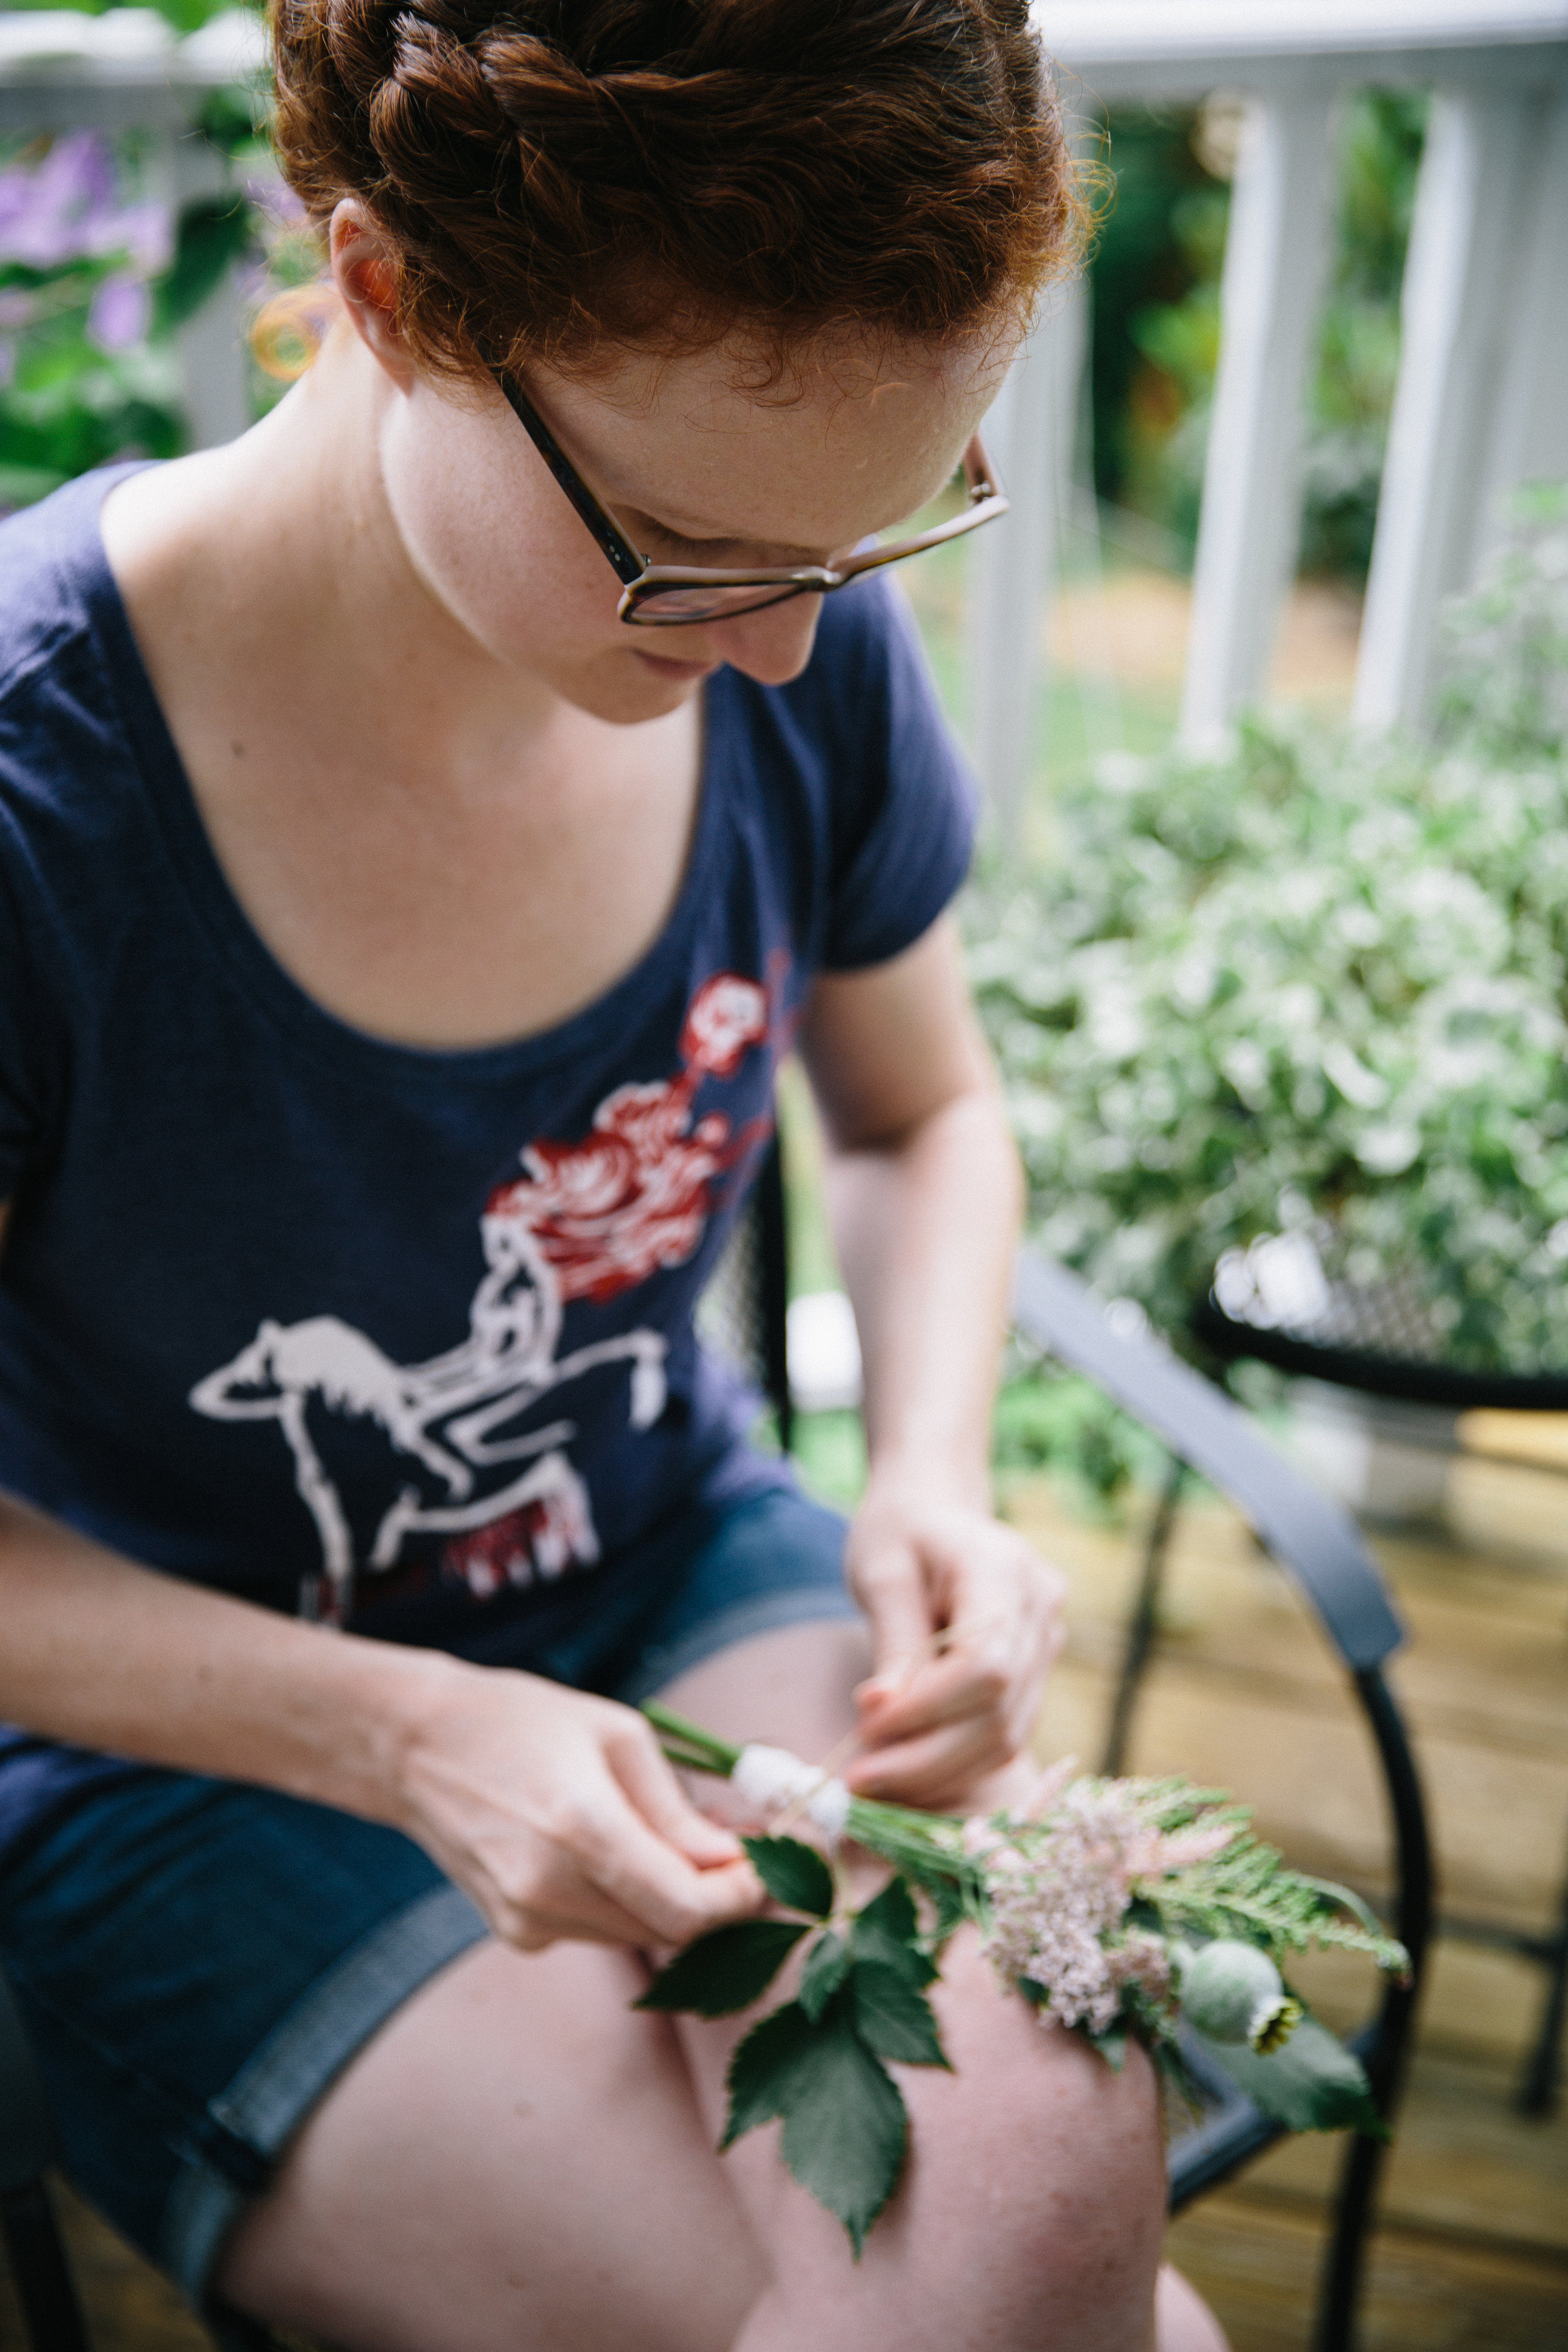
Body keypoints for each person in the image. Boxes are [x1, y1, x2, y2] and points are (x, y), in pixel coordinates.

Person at [0, 3, 1227, 2346]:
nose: (787, 647)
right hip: (188, 1755)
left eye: (870, 536)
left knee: (1060, 2147)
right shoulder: (32, 800)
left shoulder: (789, 639)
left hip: (688, 1593)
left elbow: (921, 1114)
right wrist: (408, 1727)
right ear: (387, 295)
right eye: (681, 550)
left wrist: (937, 1476)